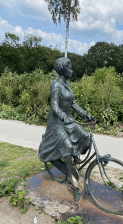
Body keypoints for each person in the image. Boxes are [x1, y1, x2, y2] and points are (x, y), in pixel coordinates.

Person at [38, 57, 91, 202]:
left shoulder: (67, 84)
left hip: (67, 119)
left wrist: (85, 115)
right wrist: (63, 116)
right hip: (57, 121)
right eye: (70, 68)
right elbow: (54, 106)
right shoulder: (55, 85)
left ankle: (73, 157)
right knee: (67, 146)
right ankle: (73, 183)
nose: (72, 70)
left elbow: (73, 103)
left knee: (85, 137)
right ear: (63, 70)